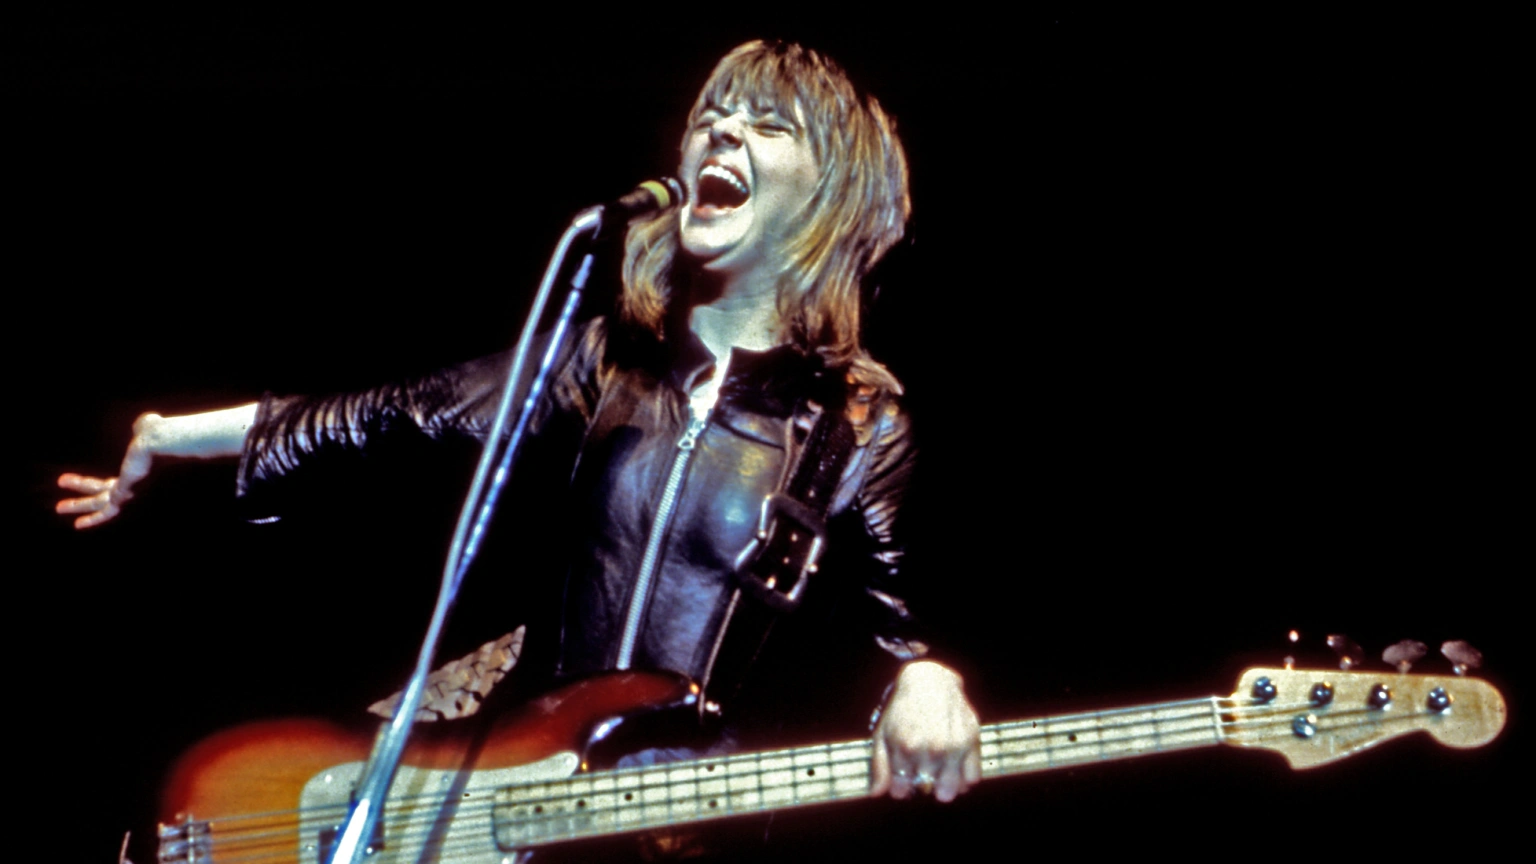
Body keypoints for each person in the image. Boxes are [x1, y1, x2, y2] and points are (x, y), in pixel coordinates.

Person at [57, 40, 980, 804]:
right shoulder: (601, 360)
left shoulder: (856, 424)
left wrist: (929, 681)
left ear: (828, 194)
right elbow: (393, 415)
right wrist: (172, 434)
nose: (723, 130)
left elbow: (899, 634)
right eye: (714, 114)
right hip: (528, 790)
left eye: (769, 126)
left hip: (687, 814)